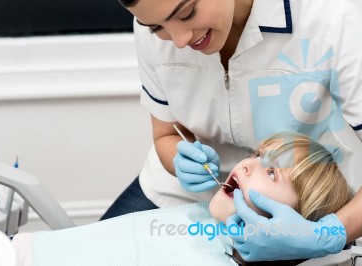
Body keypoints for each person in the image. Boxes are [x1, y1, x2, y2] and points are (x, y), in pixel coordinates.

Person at [100, 0, 362, 260]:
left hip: (303, 208)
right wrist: (179, 160)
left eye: (187, 13)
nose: (179, 41)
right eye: (157, 27)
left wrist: (328, 233)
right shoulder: (153, 14)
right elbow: (167, 134)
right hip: (181, 194)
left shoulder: (335, 19)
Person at [19, 132, 353, 265]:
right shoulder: (203, 219)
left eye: (272, 173)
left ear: (296, 221)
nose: (249, 163)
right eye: (257, 154)